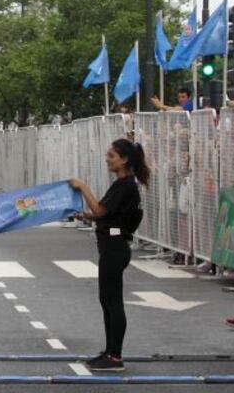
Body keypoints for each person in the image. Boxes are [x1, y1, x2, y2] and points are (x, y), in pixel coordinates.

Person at [69, 139, 150, 372]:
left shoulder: (126, 185)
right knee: (106, 300)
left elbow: (101, 210)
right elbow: (106, 215)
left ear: (124, 159)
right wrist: (86, 216)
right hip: (111, 243)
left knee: (113, 301)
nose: (107, 159)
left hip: (115, 247)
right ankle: (109, 350)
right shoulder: (122, 184)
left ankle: (116, 356)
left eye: (111, 155)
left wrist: (83, 186)